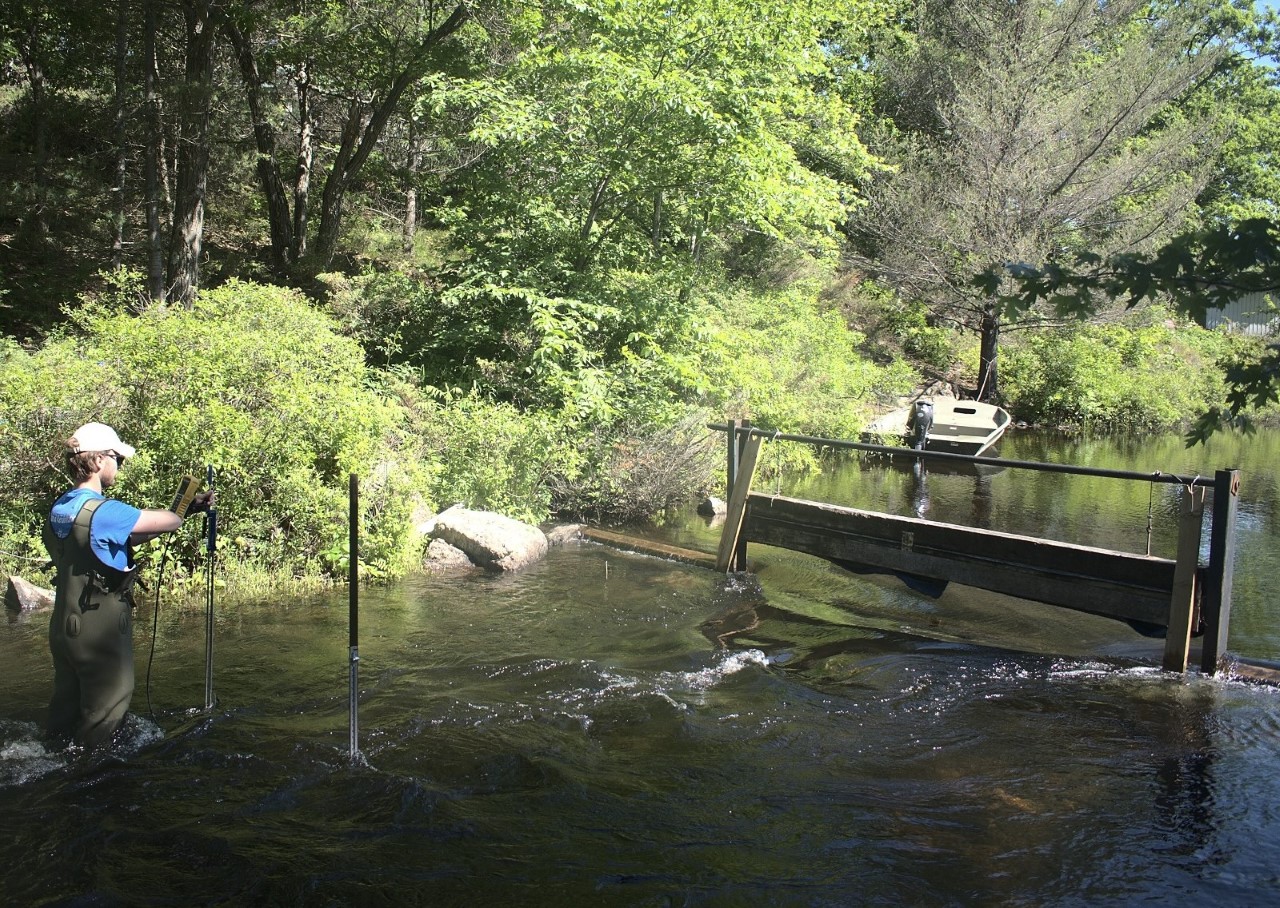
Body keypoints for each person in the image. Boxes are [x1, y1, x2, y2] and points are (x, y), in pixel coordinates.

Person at [43, 422, 213, 749]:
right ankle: (90, 781)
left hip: (63, 630)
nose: (119, 466)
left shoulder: (60, 508)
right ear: (100, 460)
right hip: (98, 635)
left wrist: (176, 515)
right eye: (118, 459)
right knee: (105, 715)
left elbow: (128, 536)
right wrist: (189, 506)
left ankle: (51, 761)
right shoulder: (107, 511)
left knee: (65, 710)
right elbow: (169, 521)